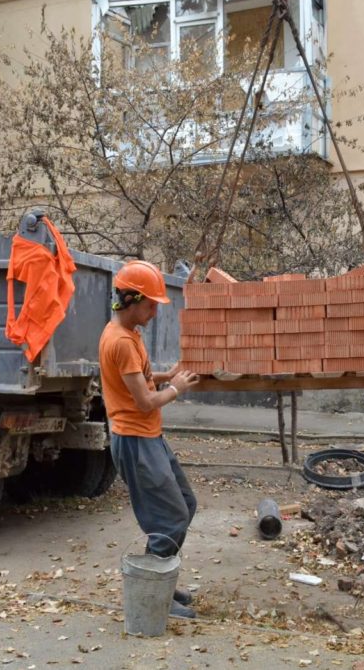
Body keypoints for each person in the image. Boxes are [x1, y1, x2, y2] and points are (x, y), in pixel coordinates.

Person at [98, 260, 201, 618]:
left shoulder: (129, 335)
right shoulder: (121, 341)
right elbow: (144, 402)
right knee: (169, 518)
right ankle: (154, 597)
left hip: (148, 437)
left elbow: (138, 380)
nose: (156, 311)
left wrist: (165, 373)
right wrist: (176, 387)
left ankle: (162, 581)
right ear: (131, 299)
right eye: (151, 304)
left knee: (184, 505)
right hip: (135, 440)